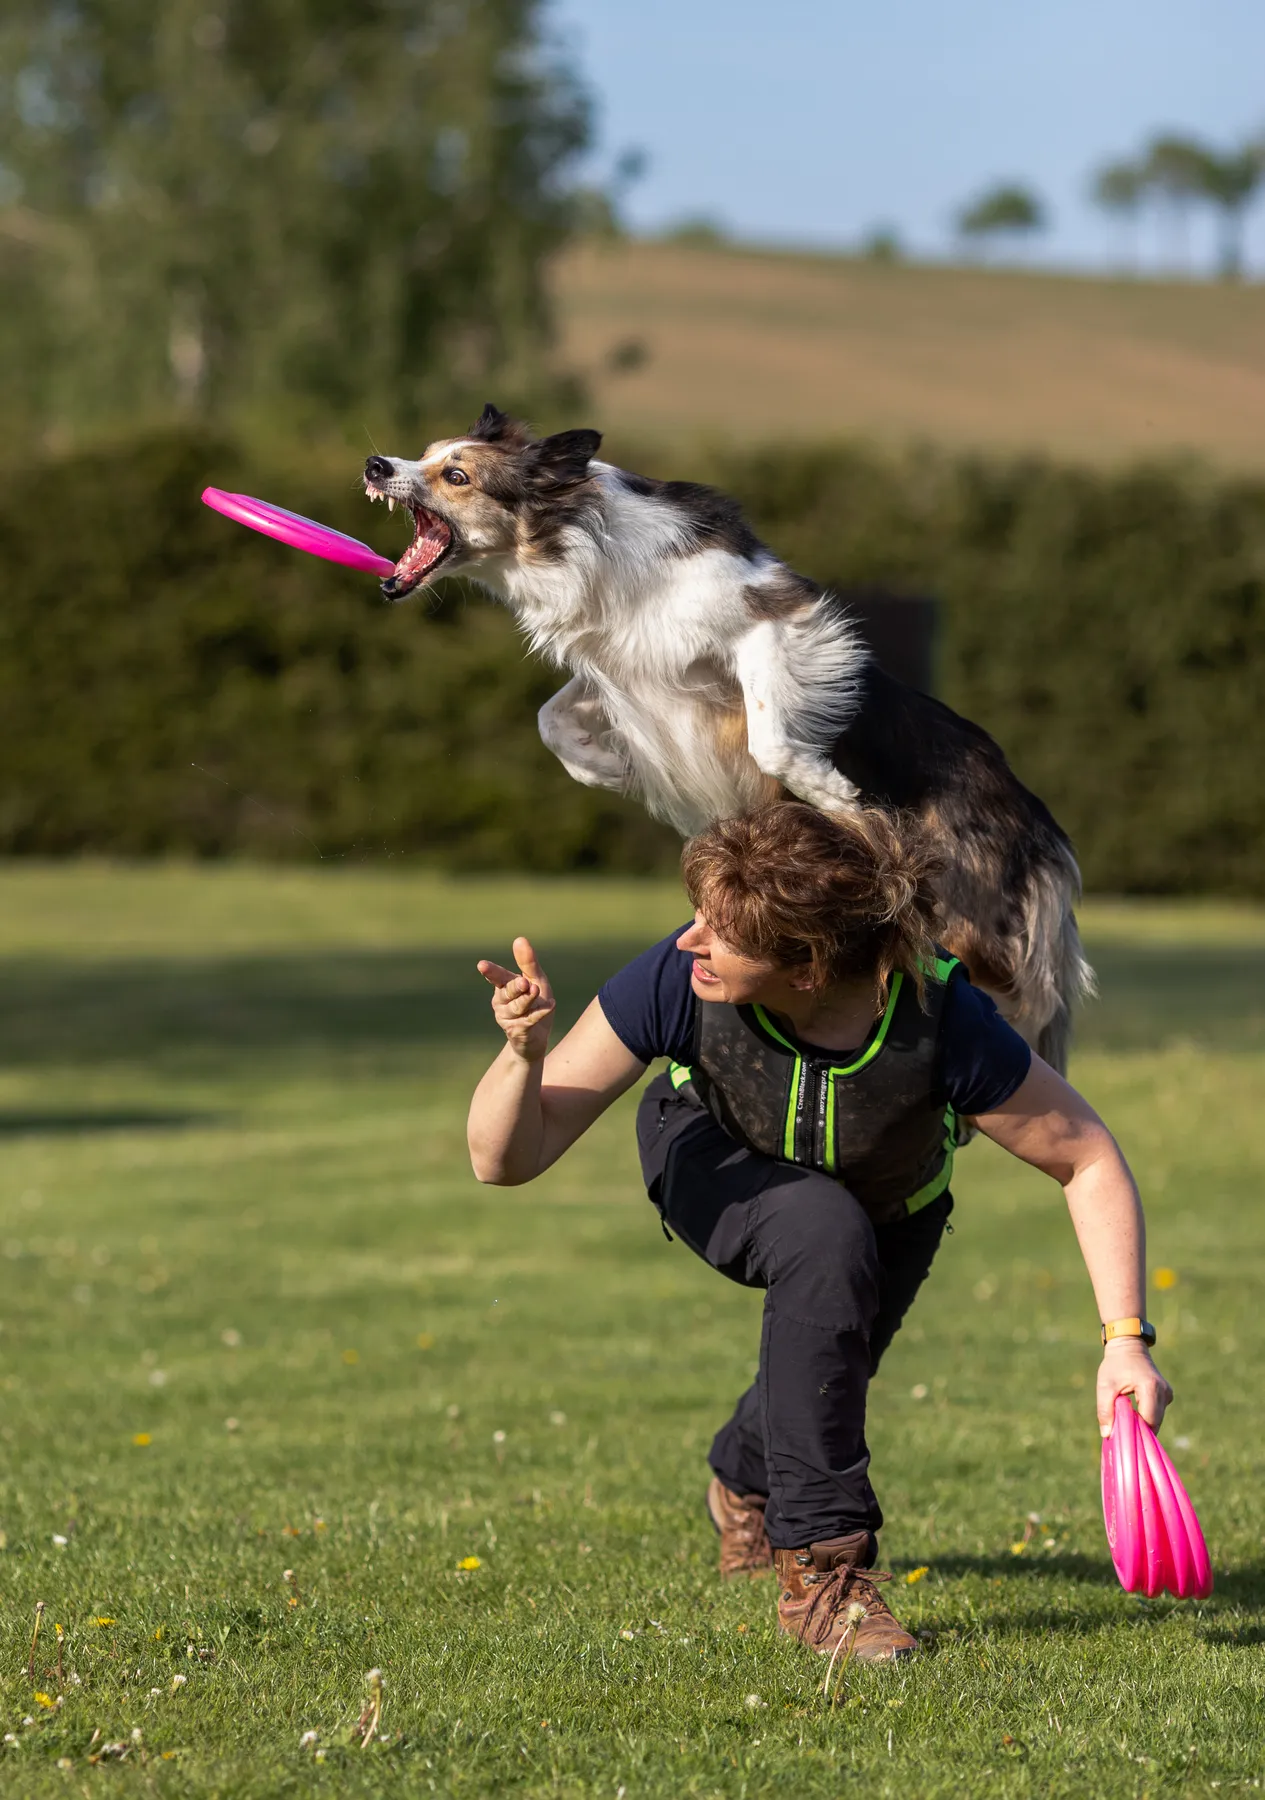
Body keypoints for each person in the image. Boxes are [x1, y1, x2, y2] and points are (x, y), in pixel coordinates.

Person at [466, 803, 1171, 1665]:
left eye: (722, 935)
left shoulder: (941, 1020)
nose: (690, 941)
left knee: (825, 1360)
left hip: (894, 1210)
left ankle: (742, 1474)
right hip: (712, 1160)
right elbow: (506, 1158)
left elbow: (1086, 1160)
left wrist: (1123, 1342)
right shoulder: (675, 978)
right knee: (818, 1228)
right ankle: (822, 1579)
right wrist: (521, 1056)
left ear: (806, 967)